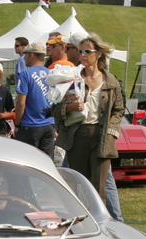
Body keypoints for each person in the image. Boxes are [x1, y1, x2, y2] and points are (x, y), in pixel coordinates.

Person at [54, 33, 125, 195]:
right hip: (77, 136)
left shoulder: (111, 81)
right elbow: (54, 110)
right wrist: (69, 107)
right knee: (81, 186)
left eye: (87, 52)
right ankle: (83, 220)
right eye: (80, 51)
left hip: (102, 136)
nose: (83, 55)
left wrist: (111, 132)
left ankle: (100, 220)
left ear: (98, 54)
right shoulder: (72, 78)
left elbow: (119, 109)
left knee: (99, 187)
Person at [13, 41, 55, 159]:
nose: (24, 58)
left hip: (30, 126)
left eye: (25, 55)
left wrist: (17, 123)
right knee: (47, 164)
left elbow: (21, 103)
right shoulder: (50, 73)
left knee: (25, 163)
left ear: (32, 55)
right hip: (49, 126)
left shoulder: (26, 74)